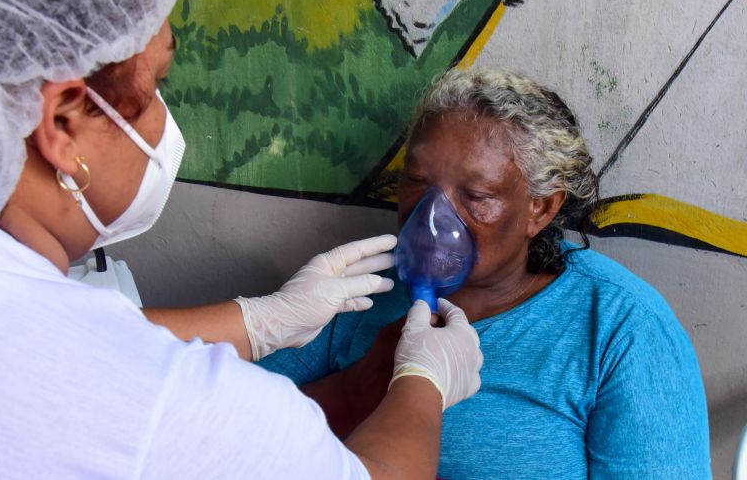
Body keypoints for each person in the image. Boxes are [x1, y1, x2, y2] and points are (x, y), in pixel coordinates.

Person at [0, 0, 484, 478]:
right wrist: (424, 385)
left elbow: (56, 340)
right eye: (160, 83)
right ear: (64, 123)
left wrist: (260, 322)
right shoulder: (156, 400)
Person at [260, 67, 712, 478]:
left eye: (476, 194)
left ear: (541, 207)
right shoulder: (359, 292)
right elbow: (235, 430)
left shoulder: (620, 327)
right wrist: (357, 388)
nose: (432, 216)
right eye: (416, 182)